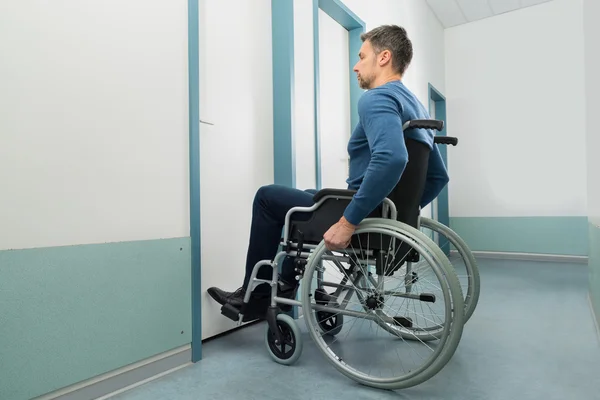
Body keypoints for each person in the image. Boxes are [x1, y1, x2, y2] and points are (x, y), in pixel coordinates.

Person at [207, 24, 450, 315]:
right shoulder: (418, 108)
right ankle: (285, 282)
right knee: (313, 195)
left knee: (267, 197)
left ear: (383, 57)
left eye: (362, 56)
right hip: (382, 216)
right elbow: (438, 176)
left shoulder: (378, 98)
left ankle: (256, 294)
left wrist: (349, 222)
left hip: (364, 218)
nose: (355, 66)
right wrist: (401, 212)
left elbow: (391, 158)